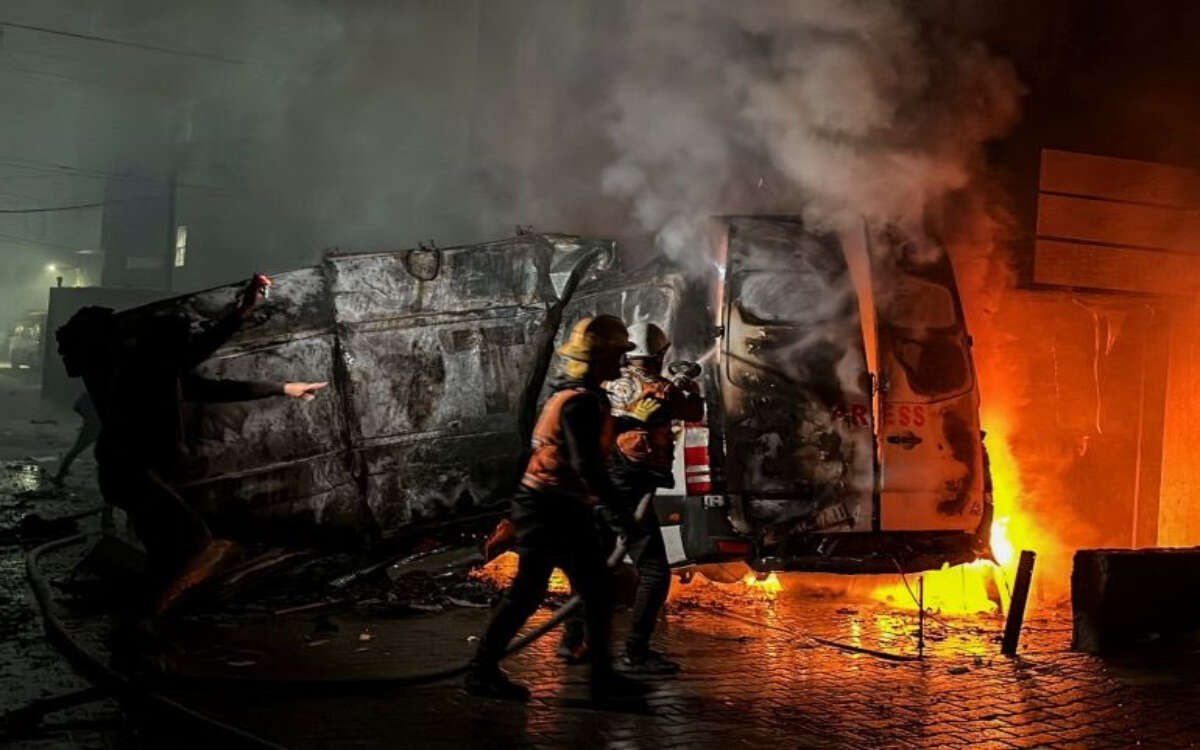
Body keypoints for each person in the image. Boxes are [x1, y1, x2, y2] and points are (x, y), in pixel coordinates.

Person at [55, 276, 327, 615]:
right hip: (128, 472)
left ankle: (141, 625)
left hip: (133, 471)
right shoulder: (142, 369)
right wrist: (242, 311)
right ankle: (148, 625)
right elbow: (200, 348)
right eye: (179, 339)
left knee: (166, 550)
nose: (187, 344)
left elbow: (219, 389)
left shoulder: (157, 374)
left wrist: (284, 388)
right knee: (193, 541)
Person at [465, 314, 647, 704]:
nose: (621, 364)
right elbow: (587, 466)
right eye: (616, 356)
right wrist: (621, 516)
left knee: (582, 591)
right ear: (596, 358)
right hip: (552, 507)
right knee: (550, 592)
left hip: (552, 504)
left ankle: (599, 679)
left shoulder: (573, 397)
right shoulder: (580, 403)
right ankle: (486, 673)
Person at [559, 322, 704, 674]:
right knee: (654, 569)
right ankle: (636, 652)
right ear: (659, 354)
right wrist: (687, 386)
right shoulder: (660, 389)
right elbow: (693, 413)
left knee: (597, 565)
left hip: (601, 481)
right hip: (630, 486)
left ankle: (573, 639)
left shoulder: (607, 385)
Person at [52, 392, 100, 485]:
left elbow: (76, 407)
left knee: (75, 450)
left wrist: (88, 417)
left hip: (91, 426)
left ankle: (61, 475)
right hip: (94, 426)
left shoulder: (87, 395)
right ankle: (60, 475)